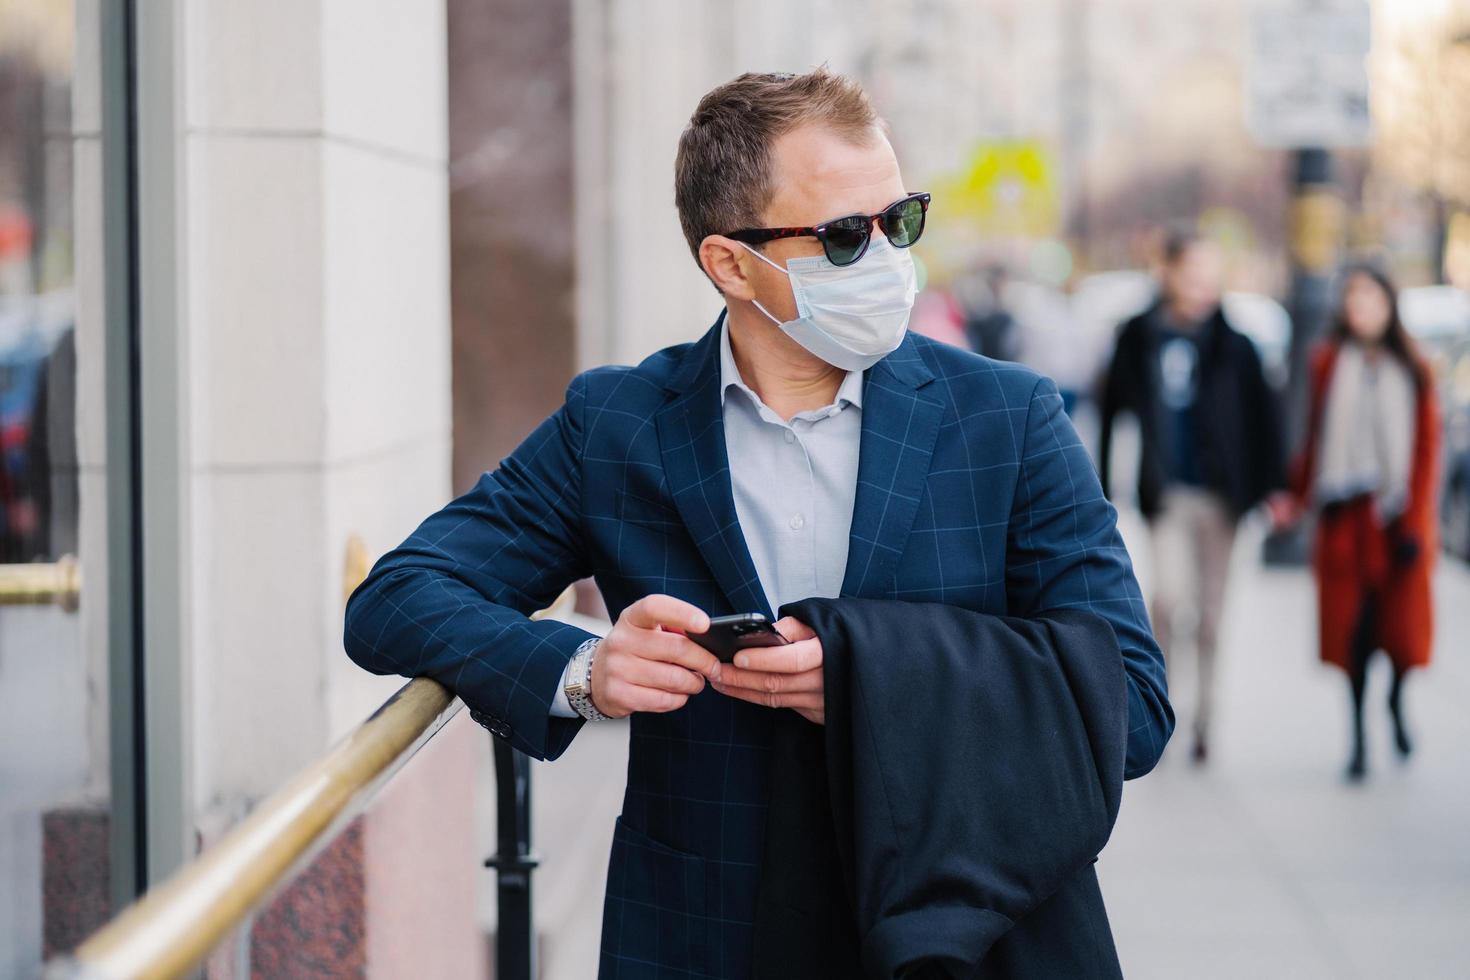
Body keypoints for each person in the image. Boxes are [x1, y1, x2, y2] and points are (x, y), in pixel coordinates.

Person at [345, 69, 1171, 977]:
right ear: (731, 263)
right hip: (704, 927)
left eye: (901, 220)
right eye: (849, 236)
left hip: (964, 930)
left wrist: (870, 681)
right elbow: (396, 596)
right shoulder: (618, 423)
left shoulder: (1008, 418)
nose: (892, 258)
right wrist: (586, 670)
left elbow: (1131, 702)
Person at [1099, 229, 1284, 764]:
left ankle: (1206, 715)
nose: (1203, 286)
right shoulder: (1138, 335)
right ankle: (1166, 705)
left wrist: (1272, 490)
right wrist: (1103, 486)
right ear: (1169, 272)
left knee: (1211, 614)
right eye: (1193, 273)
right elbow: (1113, 409)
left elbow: (1265, 419)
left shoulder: (1235, 343)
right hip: (1167, 496)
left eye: (1211, 275)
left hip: (1222, 499)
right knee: (1168, 600)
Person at [1287, 265, 1439, 781]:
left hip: (1396, 519)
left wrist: (1415, 524)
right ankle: (1357, 739)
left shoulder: (1414, 367)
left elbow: (1425, 452)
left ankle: (1394, 704)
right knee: (1353, 633)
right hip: (1344, 516)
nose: (1361, 310)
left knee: (1398, 635)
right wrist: (1296, 496)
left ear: (1389, 305)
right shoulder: (1329, 361)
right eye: (1352, 300)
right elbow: (1314, 436)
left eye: (1370, 299)